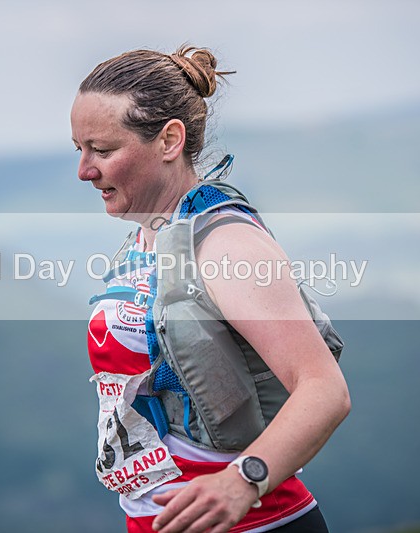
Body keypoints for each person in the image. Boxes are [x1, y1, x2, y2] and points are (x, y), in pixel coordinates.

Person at [71, 45, 350, 533]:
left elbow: (324, 390)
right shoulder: (149, 233)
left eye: (104, 150)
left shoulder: (226, 245)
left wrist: (241, 481)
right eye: (79, 149)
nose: (85, 170)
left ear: (169, 140)